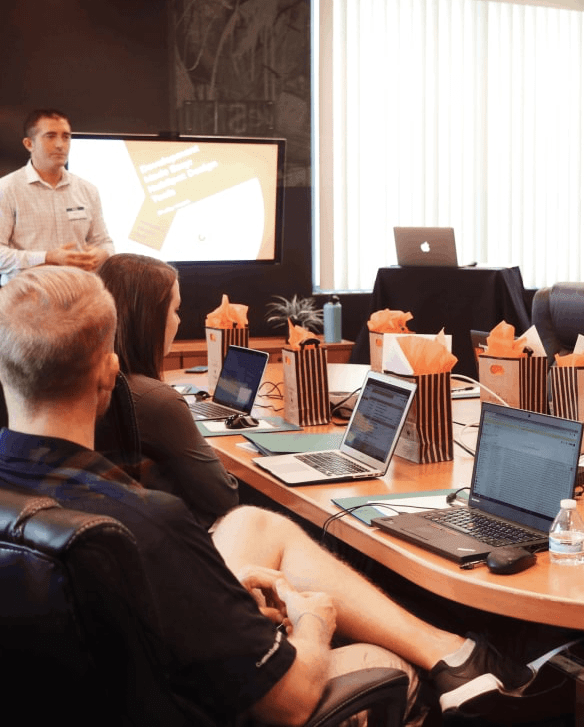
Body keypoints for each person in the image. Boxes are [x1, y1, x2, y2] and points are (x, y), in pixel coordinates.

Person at [0, 264, 554, 724]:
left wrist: (216, 592)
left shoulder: (51, 509)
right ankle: (455, 662)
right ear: (107, 372)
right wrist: (315, 619)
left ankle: (454, 651)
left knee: (253, 525)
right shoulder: (149, 524)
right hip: (204, 706)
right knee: (386, 663)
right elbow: (288, 703)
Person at [98, 253, 237, 528]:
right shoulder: (157, 401)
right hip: (176, 543)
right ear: (148, 319)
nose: (179, 321)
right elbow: (224, 497)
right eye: (175, 310)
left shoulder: (87, 384)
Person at [0, 108, 114, 285]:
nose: (60, 145)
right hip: (26, 300)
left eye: (66, 137)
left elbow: (104, 243)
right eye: (50, 136)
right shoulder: (7, 190)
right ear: (29, 144)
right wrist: (48, 257)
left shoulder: (87, 190)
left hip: (80, 295)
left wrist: (102, 254)